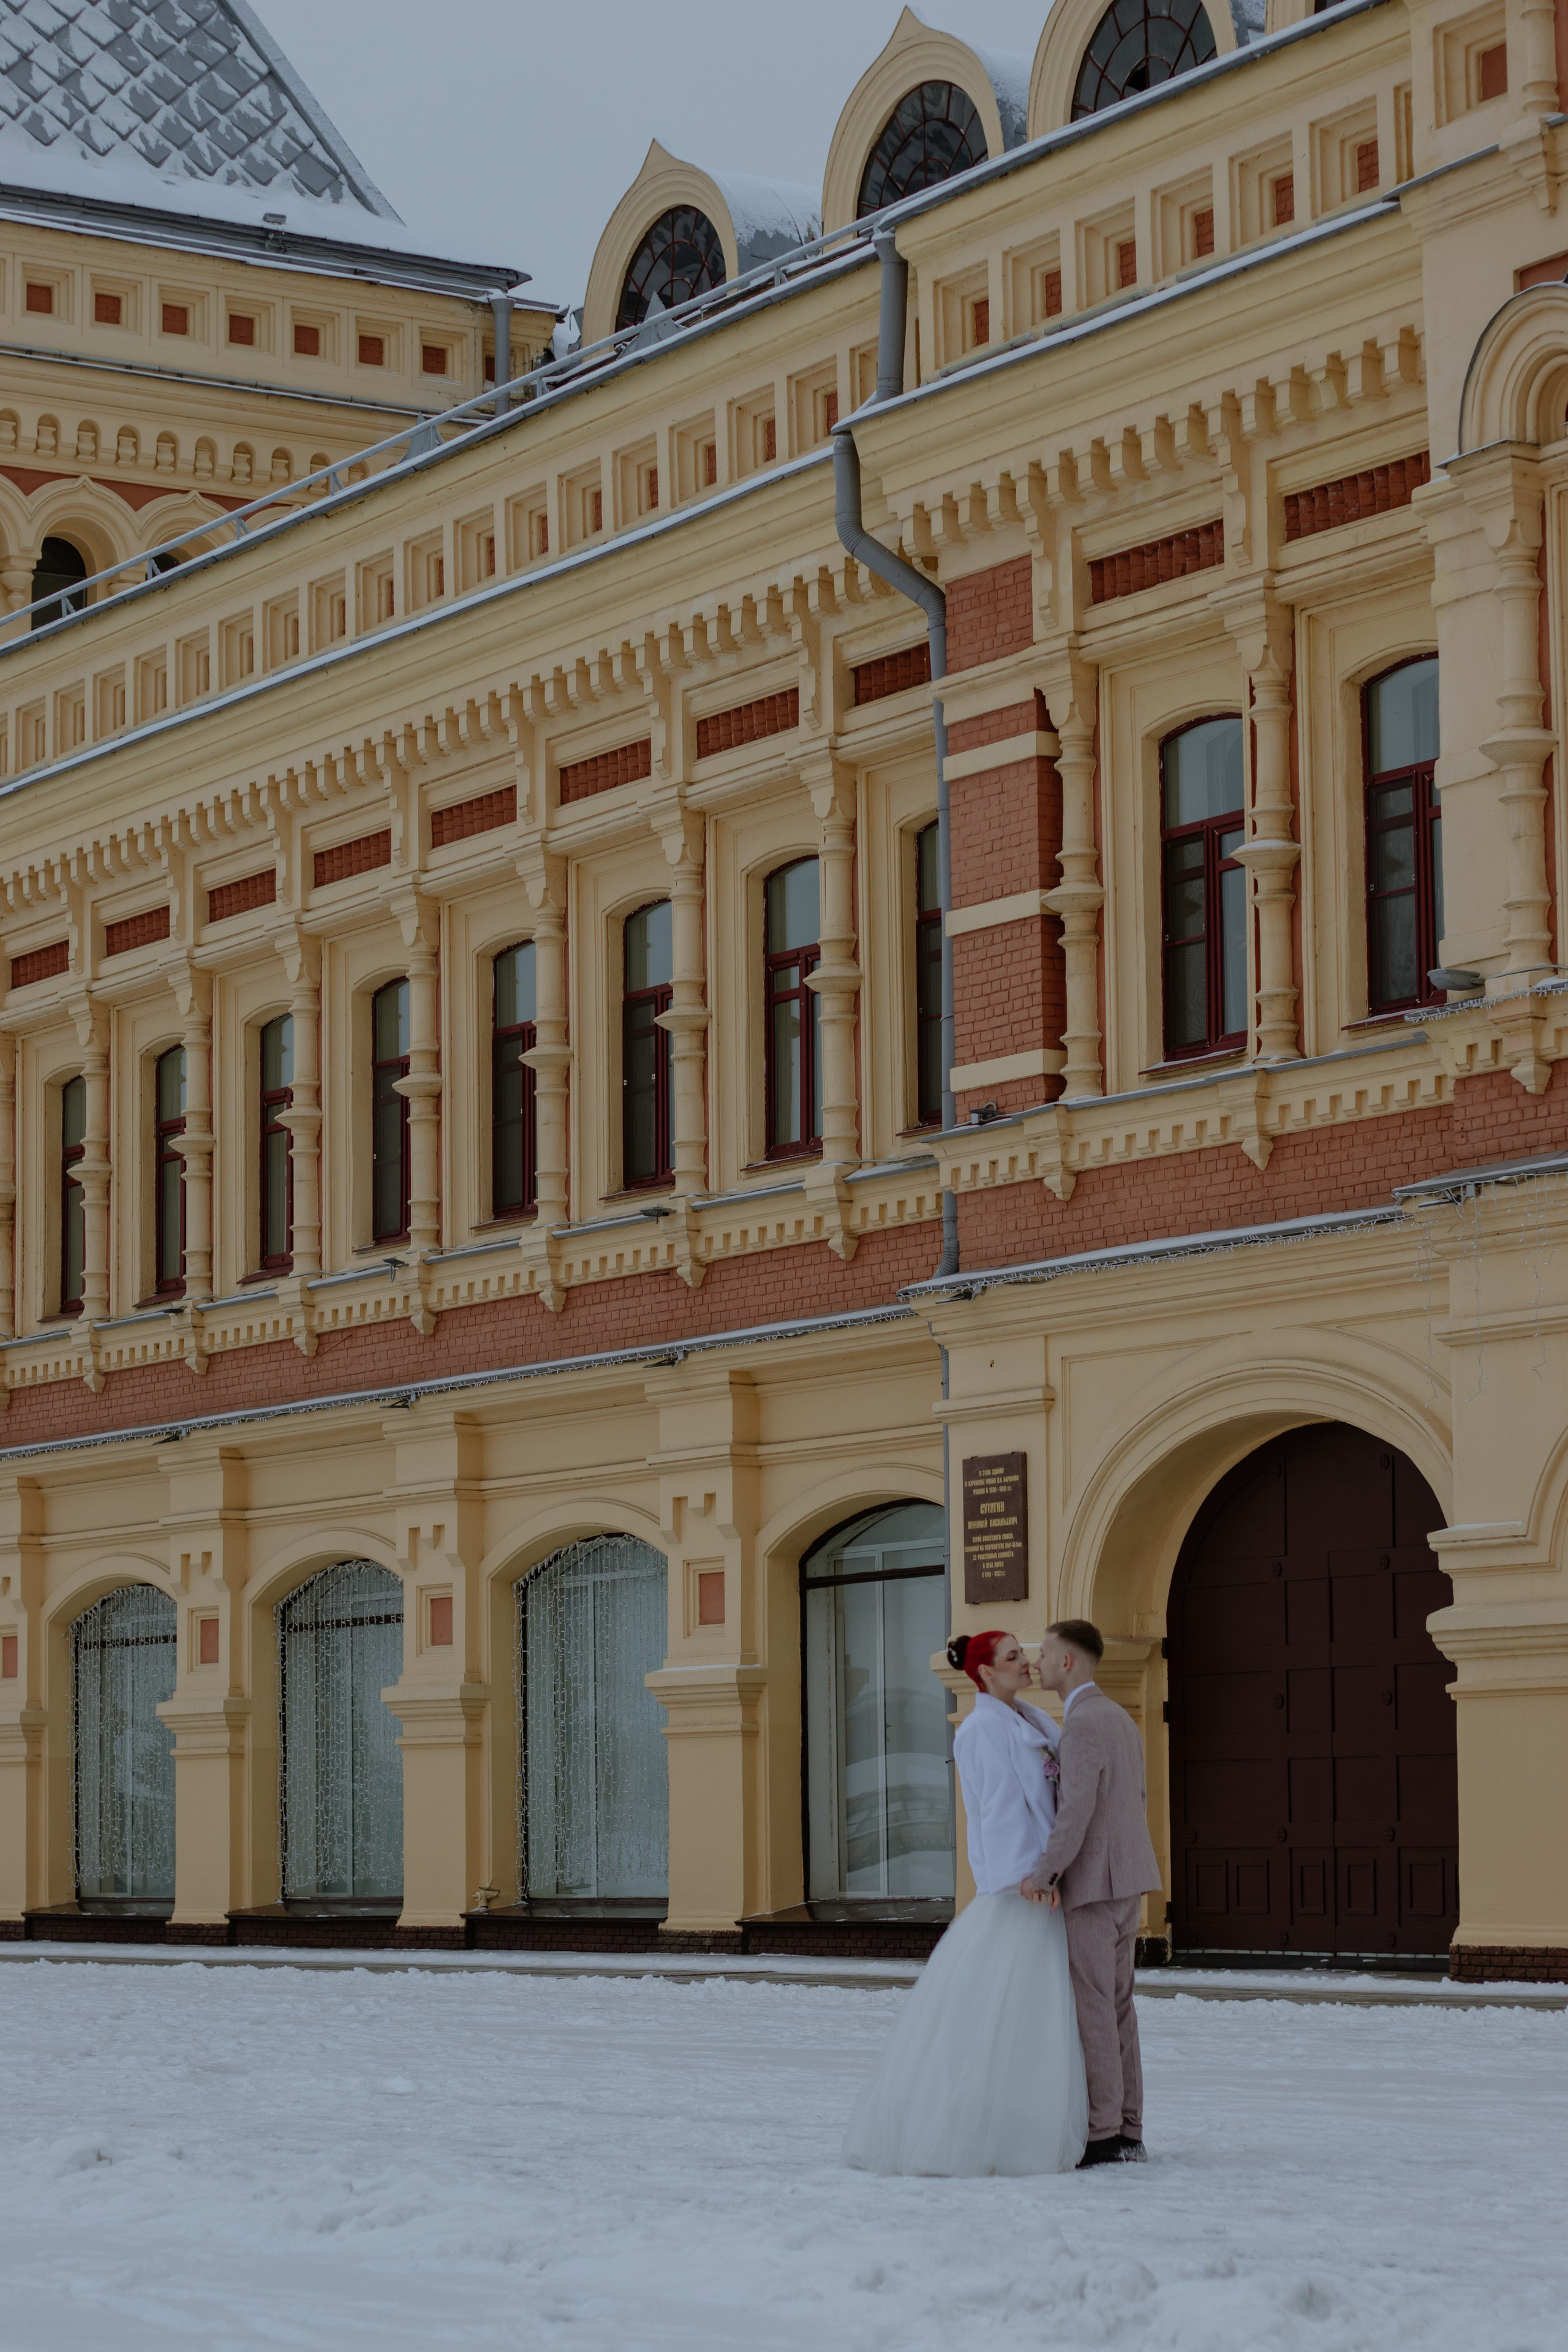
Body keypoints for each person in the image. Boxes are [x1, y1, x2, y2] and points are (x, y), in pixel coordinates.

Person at [842, 1629, 1087, 2176]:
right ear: (983, 1673)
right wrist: (1029, 1876)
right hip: (1021, 1888)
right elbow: (998, 1812)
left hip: (1044, 1881)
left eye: (1024, 1656)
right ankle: (978, 2130)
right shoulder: (979, 1729)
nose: (1024, 1664)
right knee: (1002, 2008)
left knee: (1028, 2014)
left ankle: (1020, 2123)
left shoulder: (1029, 1718)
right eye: (1011, 1658)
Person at [1023, 1618, 1164, 2166]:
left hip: (1094, 1883)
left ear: (1068, 1662)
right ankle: (1129, 2127)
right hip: (1128, 1877)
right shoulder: (1119, 1718)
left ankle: (1103, 2132)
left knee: (1095, 2010)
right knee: (1120, 2006)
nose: (1037, 1662)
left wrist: (1044, 1875)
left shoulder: (1082, 1723)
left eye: (1044, 1653)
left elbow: (1076, 1810)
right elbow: (1137, 1796)